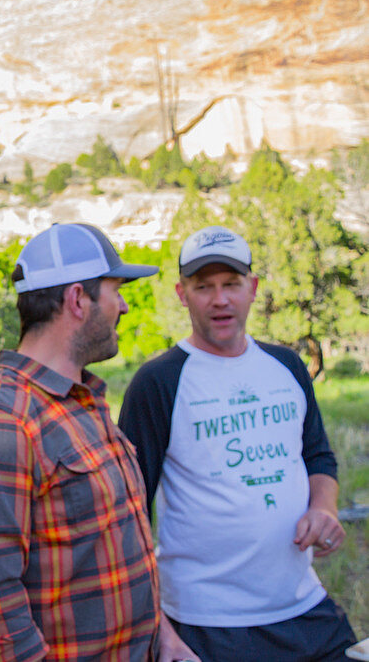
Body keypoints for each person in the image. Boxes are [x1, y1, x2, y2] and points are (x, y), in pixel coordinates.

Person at [119, 225, 357, 662]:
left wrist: (323, 508)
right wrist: (160, 627)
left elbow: (317, 455)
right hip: (205, 623)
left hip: (303, 607)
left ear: (253, 288)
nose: (220, 299)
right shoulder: (158, 382)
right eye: (203, 286)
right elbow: (128, 512)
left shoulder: (286, 365)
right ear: (181, 293)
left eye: (231, 284)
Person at [0, 222, 164, 661]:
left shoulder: (81, 399)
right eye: (116, 291)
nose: (123, 307)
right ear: (78, 299)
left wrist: (165, 636)